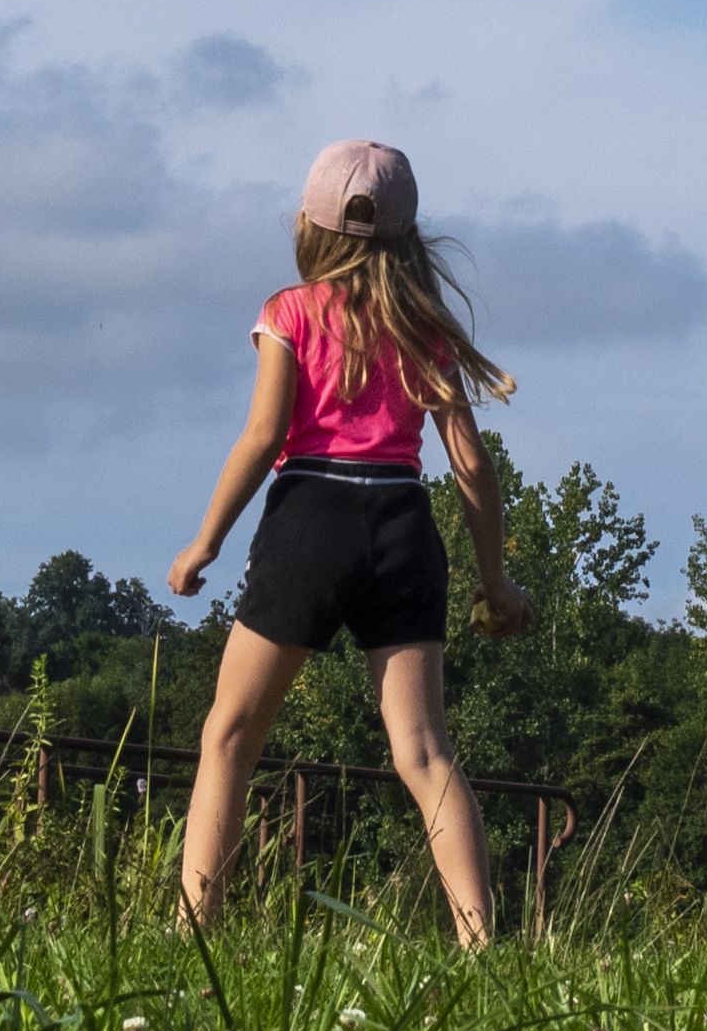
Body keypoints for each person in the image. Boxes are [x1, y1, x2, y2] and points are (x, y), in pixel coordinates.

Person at [159, 139, 536, 942]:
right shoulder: (425, 327)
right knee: (424, 752)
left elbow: (264, 437)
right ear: (407, 233)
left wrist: (204, 542)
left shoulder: (288, 312)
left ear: (308, 224)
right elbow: (472, 467)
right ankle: (480, 940)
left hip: (310, 520)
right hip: (402, 526)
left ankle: (196, 928)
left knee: (229, 733)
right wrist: (494, 580)